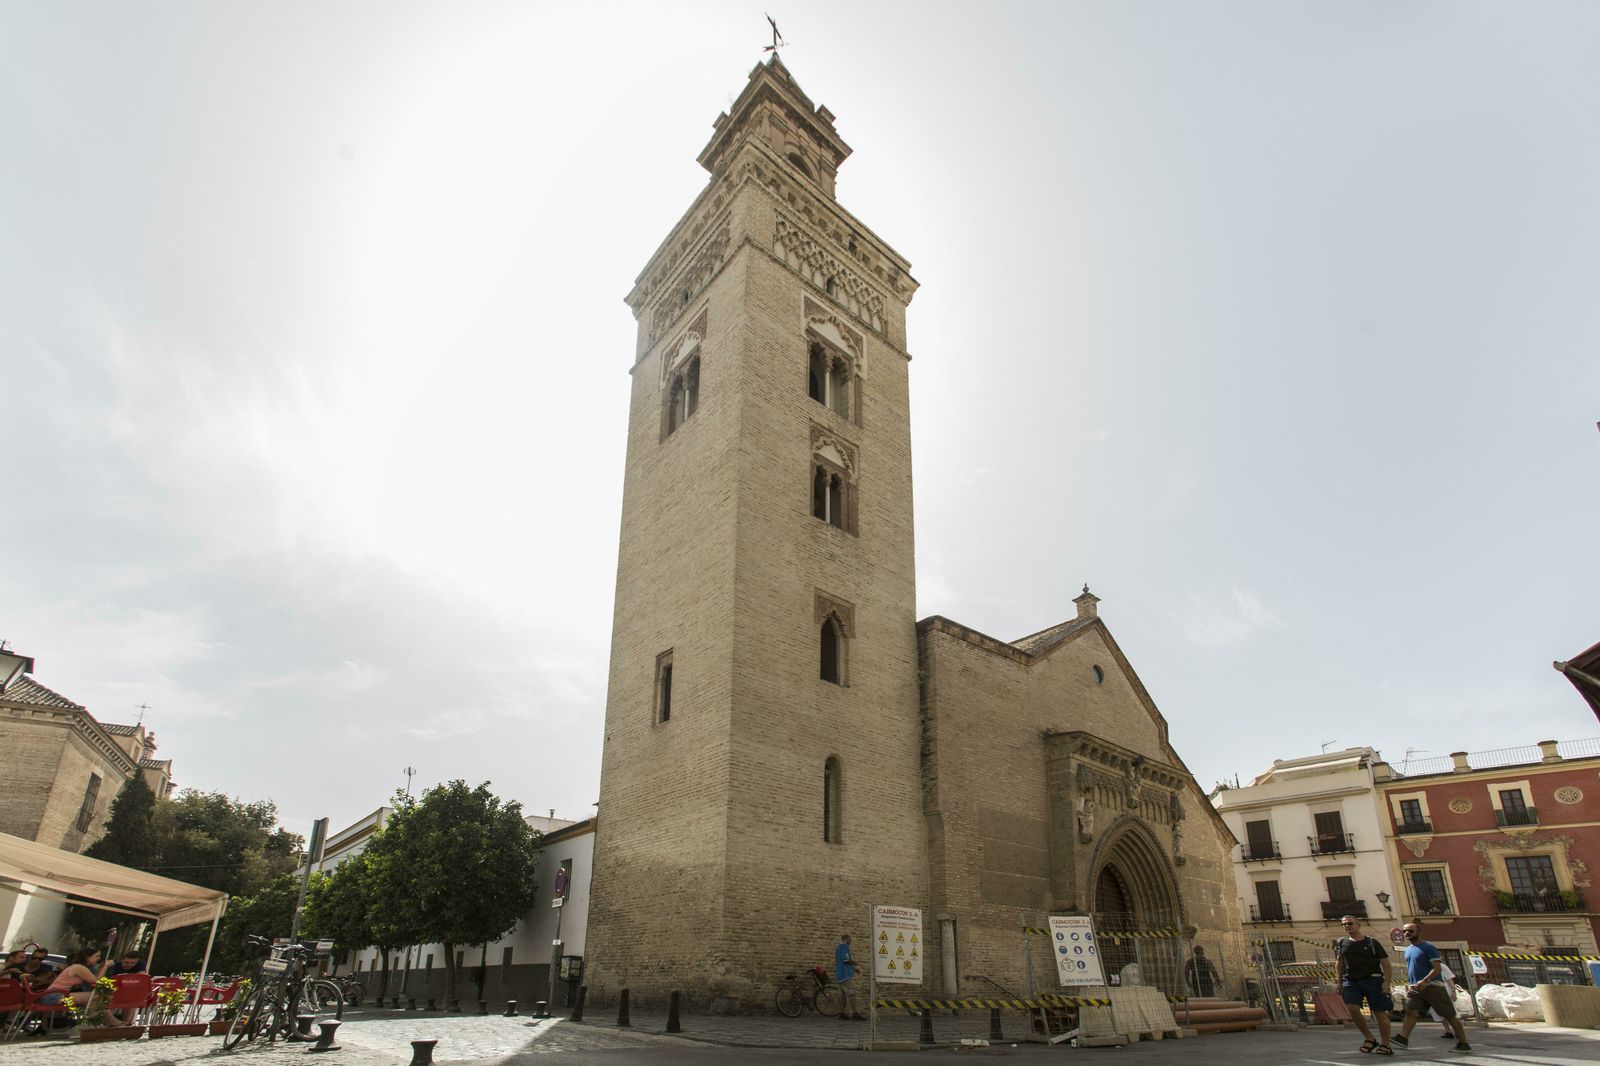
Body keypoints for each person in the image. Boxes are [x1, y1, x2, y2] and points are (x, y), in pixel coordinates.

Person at [1389, 922, 1472, 1053]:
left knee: (1449, 1015)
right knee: (1411, 1012)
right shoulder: (1408, 950)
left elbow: (1437, 968)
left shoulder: (1428, 947)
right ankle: (1403, 1038)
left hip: (1433, 987)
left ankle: (1464, 1043)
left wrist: (1425, 981)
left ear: (1418, 932)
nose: (1407, 934)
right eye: (1405, 931)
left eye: (1410, 931)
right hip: (1415, 988)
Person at [1335, 914, 1394, 1055]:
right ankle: (1369, 1038)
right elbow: (1339, 962)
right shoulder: (1341, 943)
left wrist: (1387, 982)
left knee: (1379, 1013)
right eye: (1344, 924)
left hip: (1373, 979)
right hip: (1350, 980)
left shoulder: (1372, 942)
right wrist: (1338, 981)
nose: (1347, 926)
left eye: (1350, 923)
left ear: (1358, 924)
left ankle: (1386, 1044)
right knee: (1352, 1008)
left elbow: (1385, 963)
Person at [39, 947, 110, 1012]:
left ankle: (110, 1022)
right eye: (97, 956)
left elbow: (94, 978)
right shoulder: (79, 968)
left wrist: (101, 967)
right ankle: (106, 1020)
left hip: (55, 995)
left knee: (92, 1002)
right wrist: (106, 966)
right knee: (98, 995)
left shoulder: (79, 967)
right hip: (54, 996)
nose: (99, 958)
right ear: (88, 957)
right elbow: (97, 981)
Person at [835, 933, 861, 1020]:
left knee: (842, 995)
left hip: (839, 975)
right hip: (845, 975)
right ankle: (855, 1013)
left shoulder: (838, 947)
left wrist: (854, 969)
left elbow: (841, 961)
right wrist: (854, 962)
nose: (851, 941)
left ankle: (841, 1013)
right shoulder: (845, 946)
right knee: (851, 994)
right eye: (850, 940)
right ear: (846, 939)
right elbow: (845, 960)